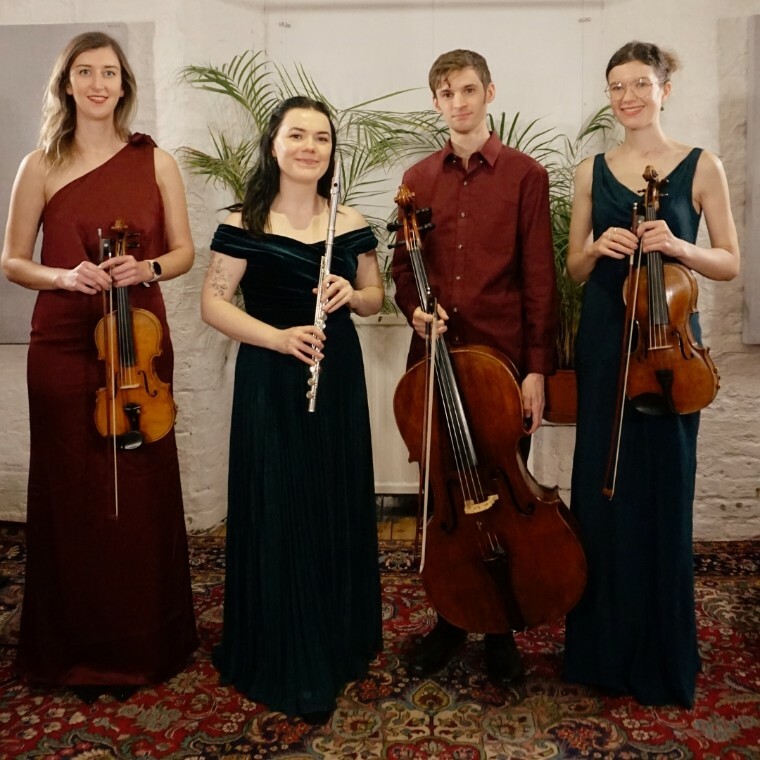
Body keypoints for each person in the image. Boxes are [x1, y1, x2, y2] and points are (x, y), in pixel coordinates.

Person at [1, 32, 198, 701]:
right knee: (71, 492)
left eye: (109, 72)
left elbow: (183, 253)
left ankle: (148, 641)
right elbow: (12, 260)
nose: (97, 84)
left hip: (136, 342)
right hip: (62, 342)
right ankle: (70, 648)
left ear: (123, 85)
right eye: (84, 72)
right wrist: (63, 275)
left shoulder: (156, 161)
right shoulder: (40, 165)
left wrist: (147, 267)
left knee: (139, 490)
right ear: (66, 84)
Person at [563, 41, 740, 708]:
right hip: (608, 342)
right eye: (617, 86)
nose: (628, 96)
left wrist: (679, 246)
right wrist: (594, 249)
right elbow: (575, 268)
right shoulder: (590, 170)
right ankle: (600, 653)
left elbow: (730, 262)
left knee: (664, 495)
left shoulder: (702, 165)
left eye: (640, 83)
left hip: (669, 353)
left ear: (665, 89)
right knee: (602, 497)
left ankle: (662, 656)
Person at [201, 96, 384, 724]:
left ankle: (335, 636)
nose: (310, 147)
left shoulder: (349, 221)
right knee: (279, 500)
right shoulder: (244, 221)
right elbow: (214, 304)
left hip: (335, 374)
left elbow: (376, 297)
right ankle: (280, 643)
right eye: (297, 135)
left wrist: (352, 292)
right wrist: (278, 339)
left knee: (331, 494)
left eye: (322, 138)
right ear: (274, 145)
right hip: (271, 373)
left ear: (332, 151)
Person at [391, 49, 558, 687]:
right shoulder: (415, 180)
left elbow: (539, 277)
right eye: (446, 93)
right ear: (435, 101)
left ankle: (500, 630)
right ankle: (452, 617)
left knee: (505, 494)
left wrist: (536, 370)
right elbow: (403, 267)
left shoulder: (526, 175)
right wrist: (414, 310)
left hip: (502, 366)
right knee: (446, 498)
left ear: (489, 92)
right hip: (434, 364)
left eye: (468, 89)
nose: (458, 102)